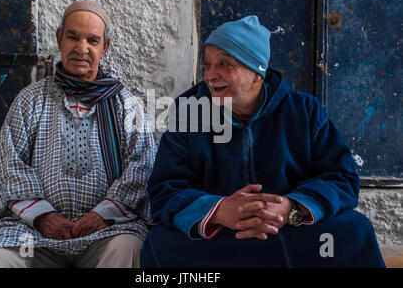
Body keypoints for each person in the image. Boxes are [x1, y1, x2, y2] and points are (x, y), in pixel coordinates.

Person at [140, 15, 385, 268]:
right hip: (221, 235)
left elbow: (341, 178)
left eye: (225, 64)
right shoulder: (189, 112)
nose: (211, 76)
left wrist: (292, 207)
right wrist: (220, 210)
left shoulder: (304, 111)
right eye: (208, 64)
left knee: (355, 230)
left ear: (257, 72)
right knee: (159, 243)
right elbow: (164, 189)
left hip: (289, 229)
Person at [0, 0, 156, 268]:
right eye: (73, 36)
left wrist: (103, 214)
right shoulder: (30, 100)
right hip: (34, 233)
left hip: (104, 231)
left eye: (92, 41)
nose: (81, 48)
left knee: (128, 248)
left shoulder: (124, 104)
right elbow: (9, 166)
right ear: (60, 39)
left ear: (104, 48)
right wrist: (42, 216)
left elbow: (142, 166)